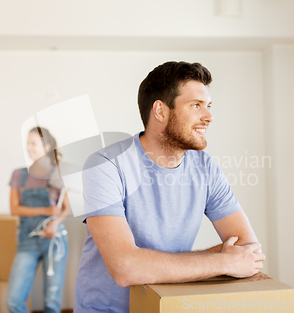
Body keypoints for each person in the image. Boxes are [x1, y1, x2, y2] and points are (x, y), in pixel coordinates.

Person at [74, 61, 265, 312]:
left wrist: (153, 263)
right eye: (196, 105)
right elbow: (126, 268)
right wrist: (222, 261)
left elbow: (248, 250)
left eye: (207, 106)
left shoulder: (205, 168)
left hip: (168, 305)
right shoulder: (105, 165)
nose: (208, 116)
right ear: (161, 112)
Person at [7, 126, 70, 313]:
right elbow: (14, 209)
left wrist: (55, 222)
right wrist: (46, 209)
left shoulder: (58, 174)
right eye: (28, 143)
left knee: (51, 303)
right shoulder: (19, 174)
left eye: (33, 143)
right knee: (13, 300)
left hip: (55, 241)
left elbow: (65, 210)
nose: (29, 147)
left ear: (46, 146)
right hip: (28, 241)